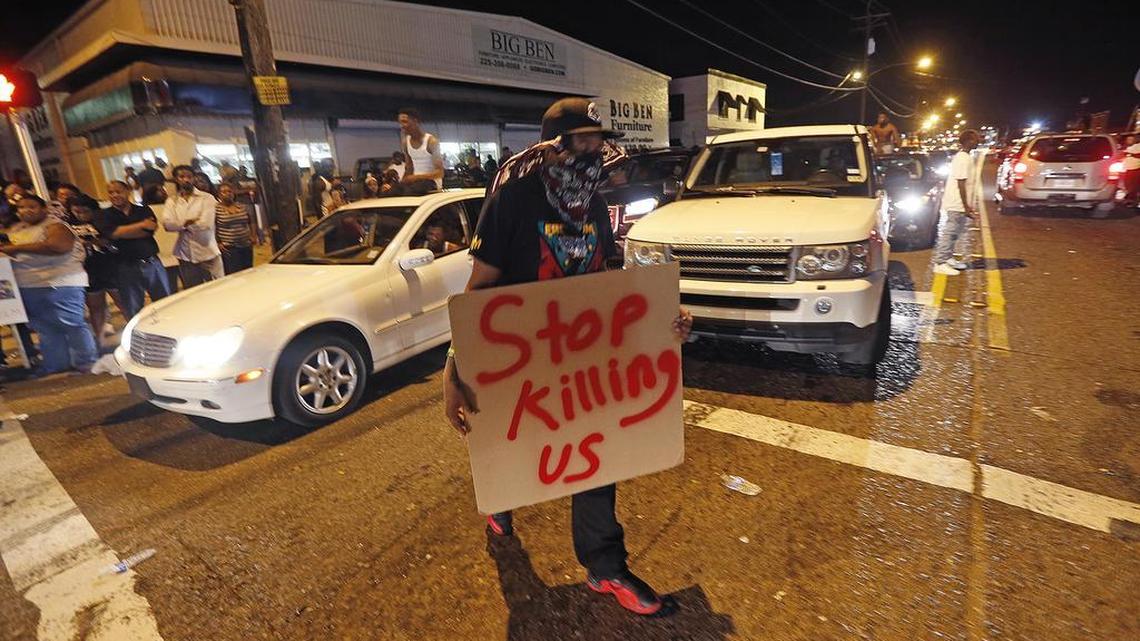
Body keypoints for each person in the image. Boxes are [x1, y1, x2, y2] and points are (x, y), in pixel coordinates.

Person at [443, 97, 692, 617]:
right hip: (515, 357)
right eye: (583, 140)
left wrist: (662, 316)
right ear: (556, 146)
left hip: (579, 357)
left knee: (596, 452)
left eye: (598, 140)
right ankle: (500, 502)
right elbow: (478, 291)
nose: (595, 149)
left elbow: (607, 283)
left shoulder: (594, 206)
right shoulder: (512, 201)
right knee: (512, 446)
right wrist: (455, 370)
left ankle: (605, 567)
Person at [0, 195, 98, 375]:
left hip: (60, 283)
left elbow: (58, 246)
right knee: (45, 329)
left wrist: (16, 248)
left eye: (32, 206)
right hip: (29, 286)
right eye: (21, 207)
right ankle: (55, 364)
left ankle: (87, 362)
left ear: (44, 209)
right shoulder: (17, 229)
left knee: (72, 325)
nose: (26, 210)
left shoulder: (56, 226)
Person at [97, 181, 170, 319]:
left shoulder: (143, 210)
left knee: (165, 302)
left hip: (152, 262)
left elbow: (149, 230)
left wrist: (121, 232)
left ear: (128, 191)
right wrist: (141, 225)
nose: (114, 195)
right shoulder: (104, 215)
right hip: (125, 266)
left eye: (118, 191)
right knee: (133, 307)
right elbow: (112, 233)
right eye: (111, 192)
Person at [68, 195, 125, 347]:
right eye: (76, 211)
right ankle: (100, 340)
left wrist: (97, 242)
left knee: (123, 302)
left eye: (84, 211)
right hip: (89, 270)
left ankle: (136, 334)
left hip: (110, 267)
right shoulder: (69, 224)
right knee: (95, 306)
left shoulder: (103, 219)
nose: (80, 215)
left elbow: (114, 241)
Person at [163, 165, 223, 287]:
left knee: (218, 289)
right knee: (192, 291)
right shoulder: (172, 201)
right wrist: (187, 223)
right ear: (175, 179)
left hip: (208, 253)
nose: (186, 180)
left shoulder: (206, 198)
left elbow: (205, 224)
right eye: (181, 176)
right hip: (185, 255)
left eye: (189, 176)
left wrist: (180, 225)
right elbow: (167, 225)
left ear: (194, 178)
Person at [934, 129, 981, 275]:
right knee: (950, 232)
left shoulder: (966, 157)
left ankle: (948, 258)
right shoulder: (962, 158)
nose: (978, 141)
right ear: (967, 141)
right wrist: (966, 207)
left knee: (955, 233)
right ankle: (940, 262)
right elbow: (961, 183)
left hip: (961, 203)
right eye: (975, 139)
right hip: (956, 203)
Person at [215, 182, 257, 275]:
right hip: (229, 247)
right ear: (219, 194)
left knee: (248, 272)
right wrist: (218, 242)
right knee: (234, 274)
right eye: (224, 192)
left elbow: (251, 221)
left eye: (229, 191)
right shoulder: (216, 209)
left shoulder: (242, 206)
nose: (227, 194)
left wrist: (253, 235)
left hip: (245, 244)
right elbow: (214, 226)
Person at [397, 108, 444, 192]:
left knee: (410, 191)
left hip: (432, 182)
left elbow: (440, 173)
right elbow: (409, 169)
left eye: (405, 122)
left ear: (415, 121)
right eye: (400, 122)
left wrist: (416, 177)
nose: (402, 126)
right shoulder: (405, 143)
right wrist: (400, 183)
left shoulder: (431, 142)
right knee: (390, 192)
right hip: (416, 182)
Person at [1122, 134, 1140, 206]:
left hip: (1136, 169)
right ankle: (1130, 198)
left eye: (1131, 139)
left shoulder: (1138, 146)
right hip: (1128, 169)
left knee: (1133, 186)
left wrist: (1130, 154)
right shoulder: (1128, 147)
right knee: (1128, 185)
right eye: (1128, 139)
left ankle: (1132, 201)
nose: (1129, 141)